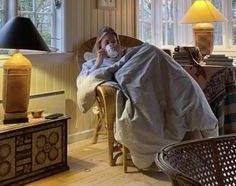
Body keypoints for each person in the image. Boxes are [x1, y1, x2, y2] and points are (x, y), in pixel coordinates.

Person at [77, 26, 218, 170]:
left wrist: (123, 56)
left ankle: (187, 97)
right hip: (130, 77)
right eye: (107, 42)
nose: (112, 45)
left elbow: (146, 62)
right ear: (100, 44)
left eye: (115, 41)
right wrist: (99, 62)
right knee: (150, 50)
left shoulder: (127, 54)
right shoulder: (91, 62)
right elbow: (85, 80)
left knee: (151, 50)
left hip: (149, 78)